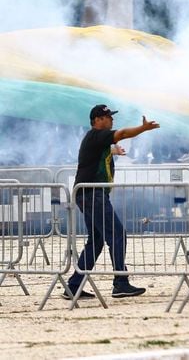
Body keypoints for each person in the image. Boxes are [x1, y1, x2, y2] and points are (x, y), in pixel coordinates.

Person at [64, 104, 160, 300]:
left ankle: (74, 286)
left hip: (88, 194)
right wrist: (142, 129)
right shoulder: (96, 135)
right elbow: (123, 133)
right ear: (97, 120)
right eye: (108, 117)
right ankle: (120, 283)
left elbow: (98, 154)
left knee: (97, 240)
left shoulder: (97, 141)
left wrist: (113, 152)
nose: (111, 120)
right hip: (92, 194)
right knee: (117, 234)